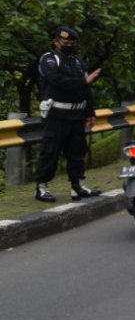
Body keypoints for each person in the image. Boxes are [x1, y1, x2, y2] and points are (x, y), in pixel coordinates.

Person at [35, 25, 102, 202]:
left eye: (72, 43)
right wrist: (83, 81)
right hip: (56, 114)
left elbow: (86, 88)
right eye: (66, 43)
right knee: (51, 151)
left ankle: (77, 186)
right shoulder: (49, 60)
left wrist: (90, 112)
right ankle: (42, 187)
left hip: (76, 114)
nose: (69, 46)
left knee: (77, 152)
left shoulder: (77, 61)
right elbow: (55, 80)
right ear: (56, 42)